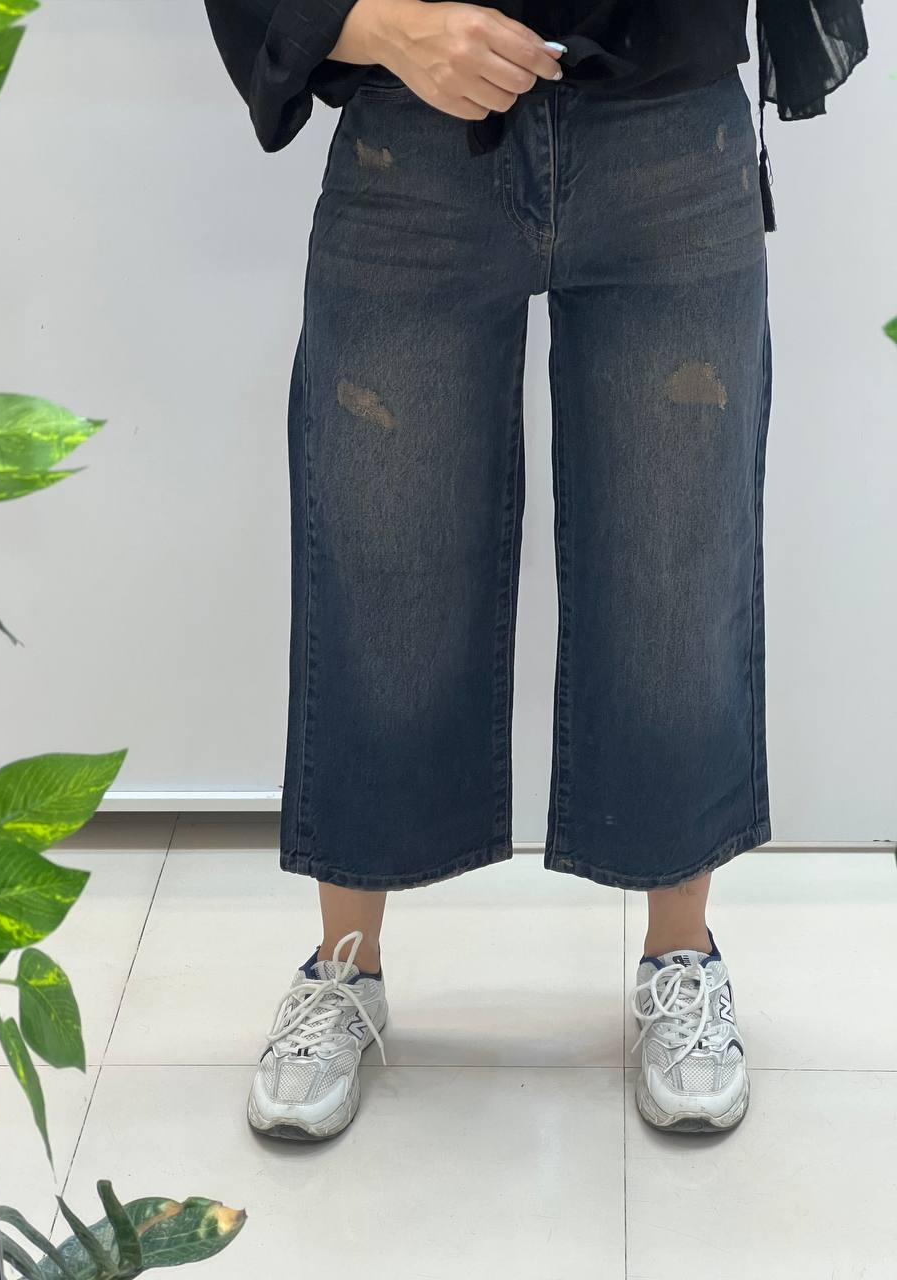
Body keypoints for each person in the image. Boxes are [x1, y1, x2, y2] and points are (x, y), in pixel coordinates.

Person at [202, 0, 868, 1140]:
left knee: (676, 566)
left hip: (670, 119)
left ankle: (681, 955)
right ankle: (345, 966)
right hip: (411, 126)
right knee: (379, 556)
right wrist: (376, 27)